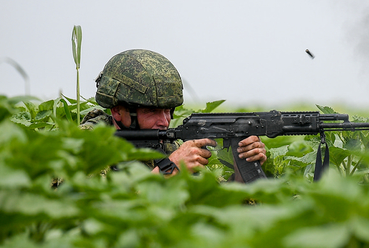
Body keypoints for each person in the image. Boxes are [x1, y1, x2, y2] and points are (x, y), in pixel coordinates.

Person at [85, 49, 267, 177]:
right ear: (118, 110)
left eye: (168, 111)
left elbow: (214, 207)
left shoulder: (169, 148)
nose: (164, 121)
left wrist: (242, 170)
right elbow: (88, 210)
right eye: (153, 111)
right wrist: (170, 171)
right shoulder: (83, 146)